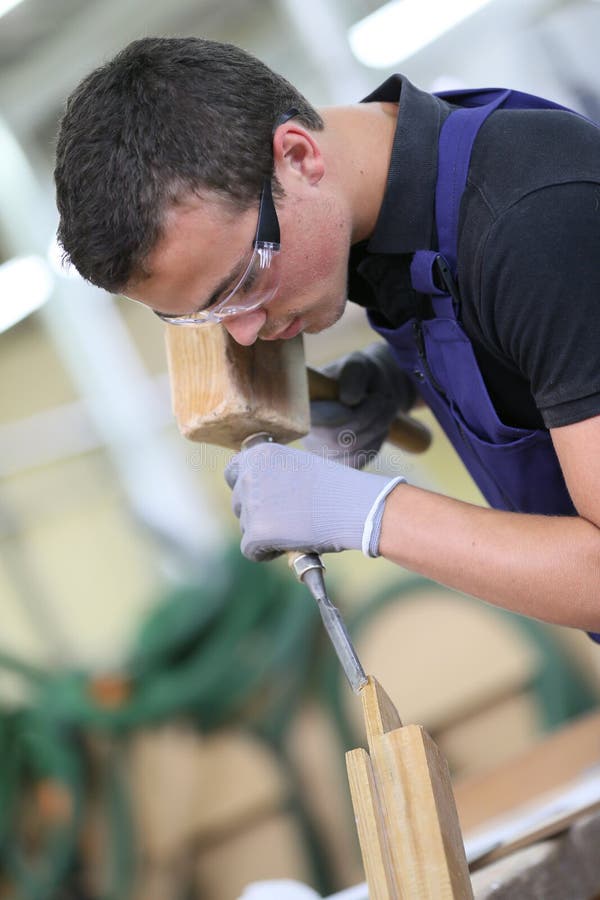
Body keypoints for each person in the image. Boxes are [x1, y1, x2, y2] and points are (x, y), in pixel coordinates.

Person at [54, 36, 600, 636]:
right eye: (201, 316)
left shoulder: (532, 222)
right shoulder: (372, 224)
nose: (244, 331)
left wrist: (370, 512)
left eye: (240, 282)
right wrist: (403, 377)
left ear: (298, 155)